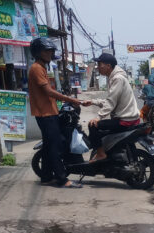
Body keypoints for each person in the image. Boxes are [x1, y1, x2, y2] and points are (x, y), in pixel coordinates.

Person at [27, 37, 83, 188]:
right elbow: (47, 91)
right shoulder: (37, 68)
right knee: (56, 146)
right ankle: (62, 179)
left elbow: (49, 92)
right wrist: (70, 99)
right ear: (38, 52)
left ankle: (46, 177)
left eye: (51, 50)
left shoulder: (42, 67)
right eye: (47, 50)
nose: (50, 53)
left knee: (48, 147)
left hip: (49, 112)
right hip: (45, 114)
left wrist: (66, 100)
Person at [81, 53, 140, 162]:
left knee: (92, 125)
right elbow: (111, 100)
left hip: (125, 120)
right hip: (129, 118)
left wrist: (99, 117)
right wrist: (93, 101)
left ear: (108, 66)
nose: (98, 67)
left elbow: (111, 101)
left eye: (100, 64)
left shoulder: (117, 78)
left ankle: (100, 154)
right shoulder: (115, 77)